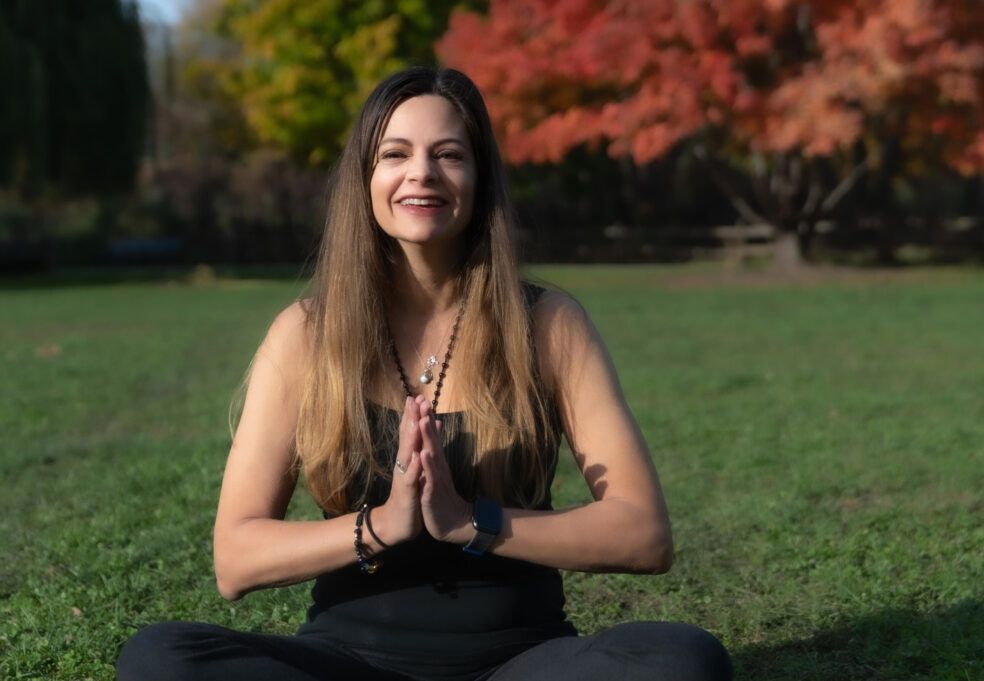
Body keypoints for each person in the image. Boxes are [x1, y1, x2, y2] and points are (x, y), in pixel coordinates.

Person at [115, 66, 732, 681]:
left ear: (478, 177)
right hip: (346, 663)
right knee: (160, 660)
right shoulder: (305, 334)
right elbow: (236, 559)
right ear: (366, 177)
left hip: (521, 662)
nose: (422, 174)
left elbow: (643, 534)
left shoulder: (548, 324)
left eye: (448, 154)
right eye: (395, 153)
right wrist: (383, 525)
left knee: (681, 659)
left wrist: (469, 522)